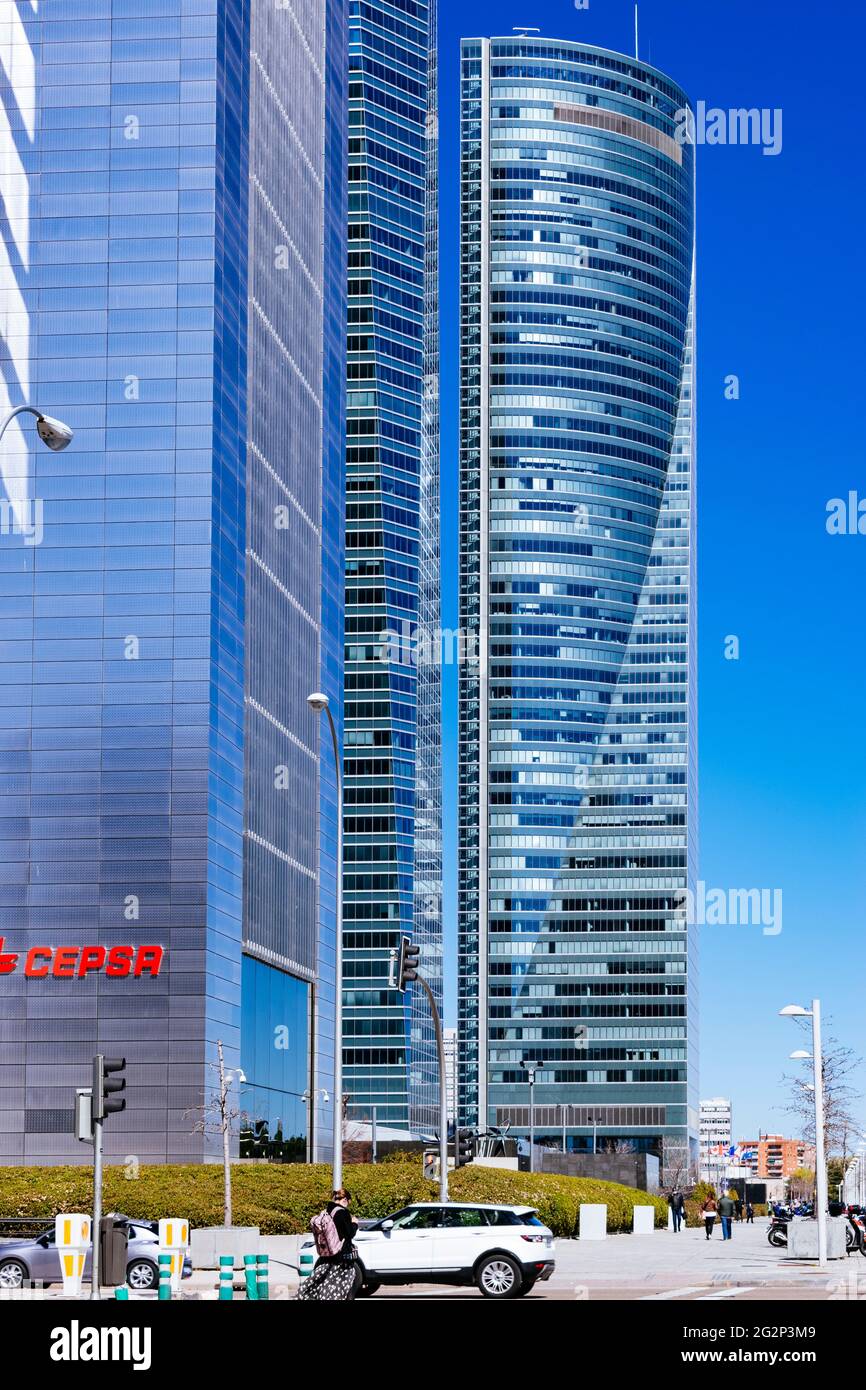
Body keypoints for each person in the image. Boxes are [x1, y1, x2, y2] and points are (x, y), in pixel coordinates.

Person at [298, 1188, 361, 1301]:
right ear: (345, 1199)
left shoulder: (327, 1211)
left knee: (326, 1286)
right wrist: (354, 1224)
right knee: (346, 1288)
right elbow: (349, 1233)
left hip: (327, 1256)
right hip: (342, 1258)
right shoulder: (343, 1212)